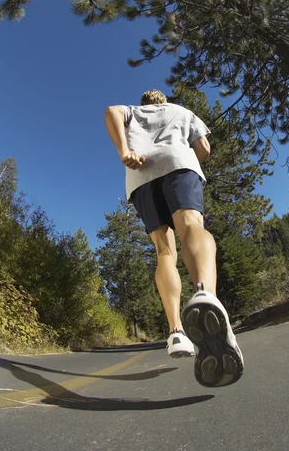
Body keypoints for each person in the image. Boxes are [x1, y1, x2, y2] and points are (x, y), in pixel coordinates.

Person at [104, 89, 243, 387]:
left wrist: (124, 151)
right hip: (178, 163)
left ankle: (176, 331)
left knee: (164, 251)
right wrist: (191, 159)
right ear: (163, 100)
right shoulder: (181, 112)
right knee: (191, 226)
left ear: (144, 104)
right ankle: (206, 295)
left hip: (140, 175)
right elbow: (203, 147)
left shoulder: (133, 112)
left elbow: (111, 111)